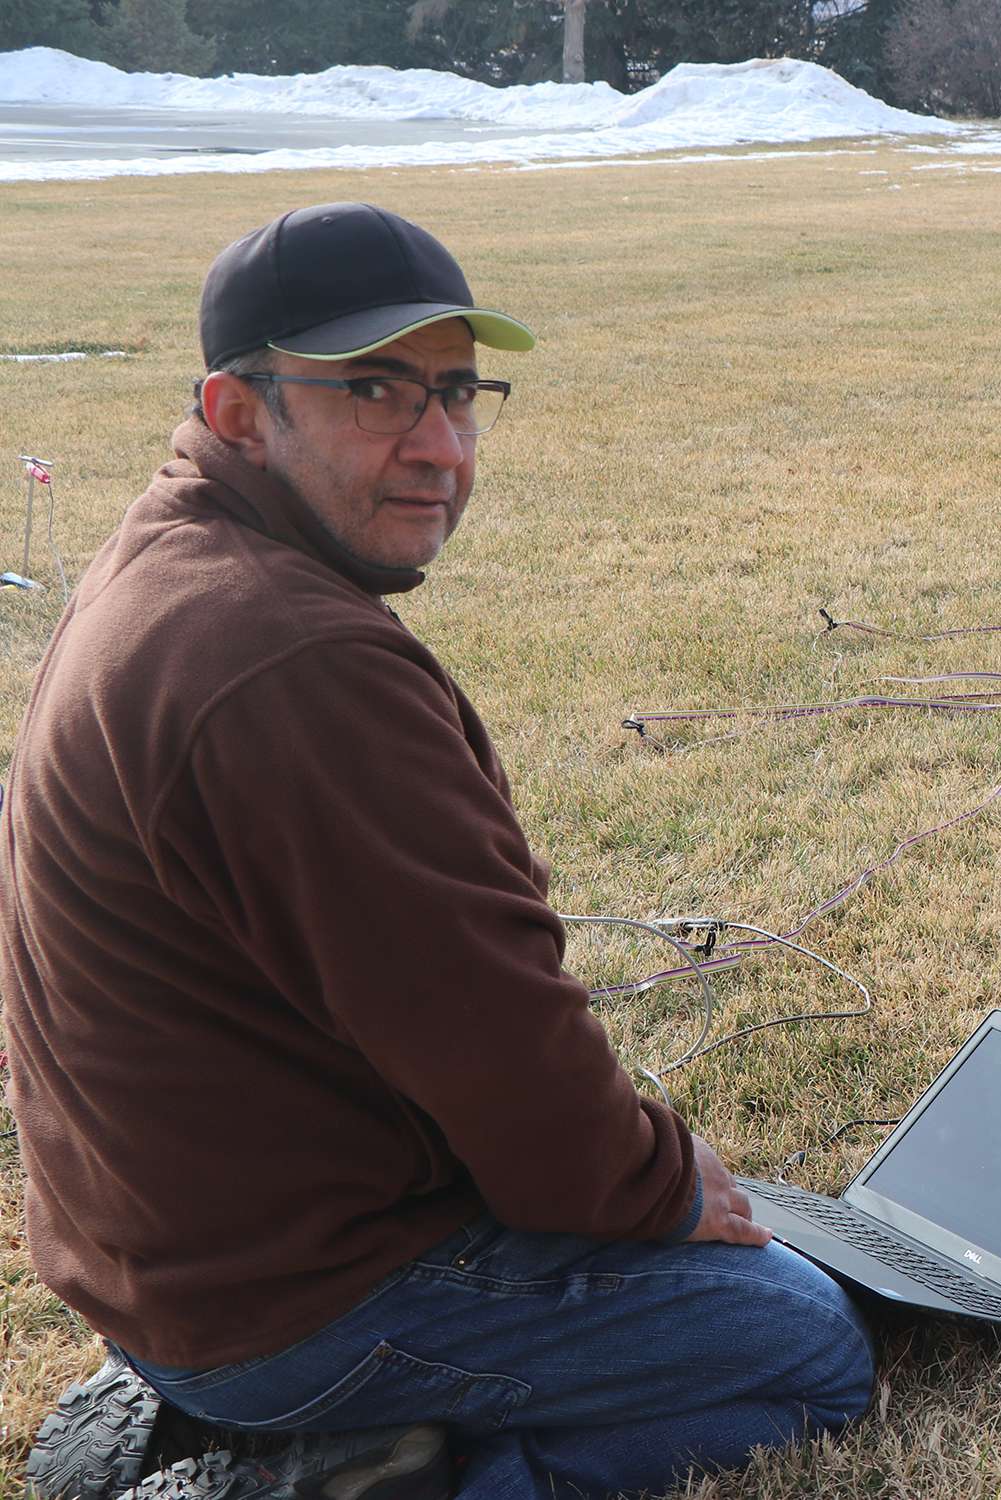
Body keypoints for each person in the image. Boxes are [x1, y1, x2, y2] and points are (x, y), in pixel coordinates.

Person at [2, 204, 875, 1500]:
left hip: (175, 1269)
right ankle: (329, 1473)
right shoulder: (292, 663)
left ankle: (262, 1425)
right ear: (240, 410)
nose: (440, 446)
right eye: (374, 391)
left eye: (457, 392)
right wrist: (658, 1187)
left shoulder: (171, 557)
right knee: (808, 1347)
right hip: (288, 1304)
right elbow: (499, 1052)